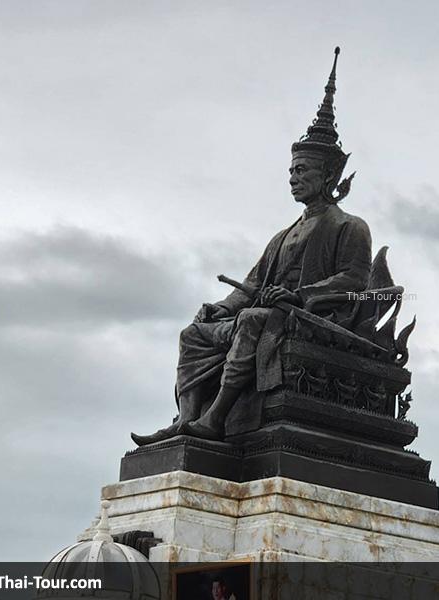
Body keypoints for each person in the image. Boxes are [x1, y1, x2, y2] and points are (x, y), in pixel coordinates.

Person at [132, 48, 371, 445]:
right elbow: (251, 282)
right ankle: (187, 420)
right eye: (291, 171)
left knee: (251, 321)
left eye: (302, 171)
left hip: (310, 319)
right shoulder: (282, 235)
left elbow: (355, 280)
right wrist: (220, 308)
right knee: (194, 332)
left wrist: (297, 295)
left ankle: (216, 418)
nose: (293, 178)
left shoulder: (349, 226)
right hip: (261, 316)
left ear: (328, 173)